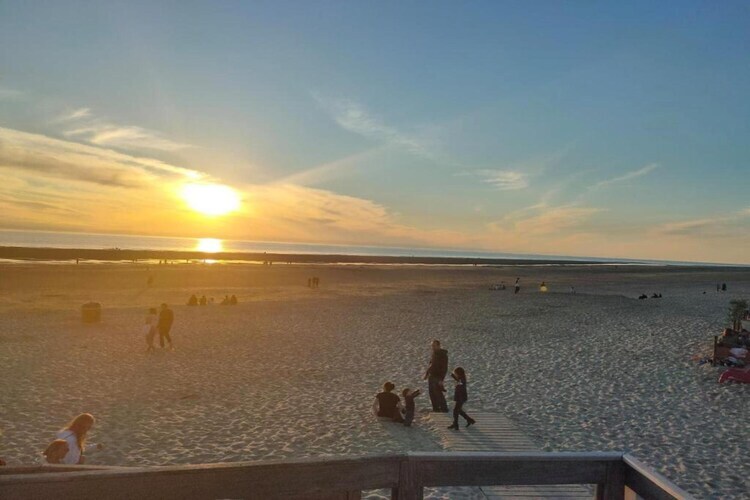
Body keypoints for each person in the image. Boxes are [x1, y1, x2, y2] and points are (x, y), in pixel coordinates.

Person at [423, 340, 449, 412]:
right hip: (431, 375)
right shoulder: (434, 354)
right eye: (432, 346)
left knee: (438, 392)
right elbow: (431, 364)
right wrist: (427, 374)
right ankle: (436, 408)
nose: (433, 347)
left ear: (438, 346)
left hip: (438, 376)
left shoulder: (443, 355)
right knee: (431, 393)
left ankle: (444, 408)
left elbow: (444, 368)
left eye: (434, 346)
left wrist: (441, 379)